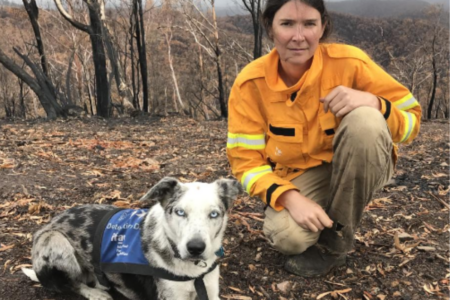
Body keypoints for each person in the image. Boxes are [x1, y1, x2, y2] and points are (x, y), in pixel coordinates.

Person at [226, 0, 421, 277]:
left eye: (309, 24)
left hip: (363, 161)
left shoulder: (350, 63)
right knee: (287, 238)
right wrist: (291, 198)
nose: (298, 36)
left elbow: (412, 123)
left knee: (365, 120)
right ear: (270, 28)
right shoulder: (251, 84)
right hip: (297, 175)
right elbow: (245, 164)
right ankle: (324, 208)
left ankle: (334, 245)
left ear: (323, 27)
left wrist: (374, 102)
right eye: (287, 24)